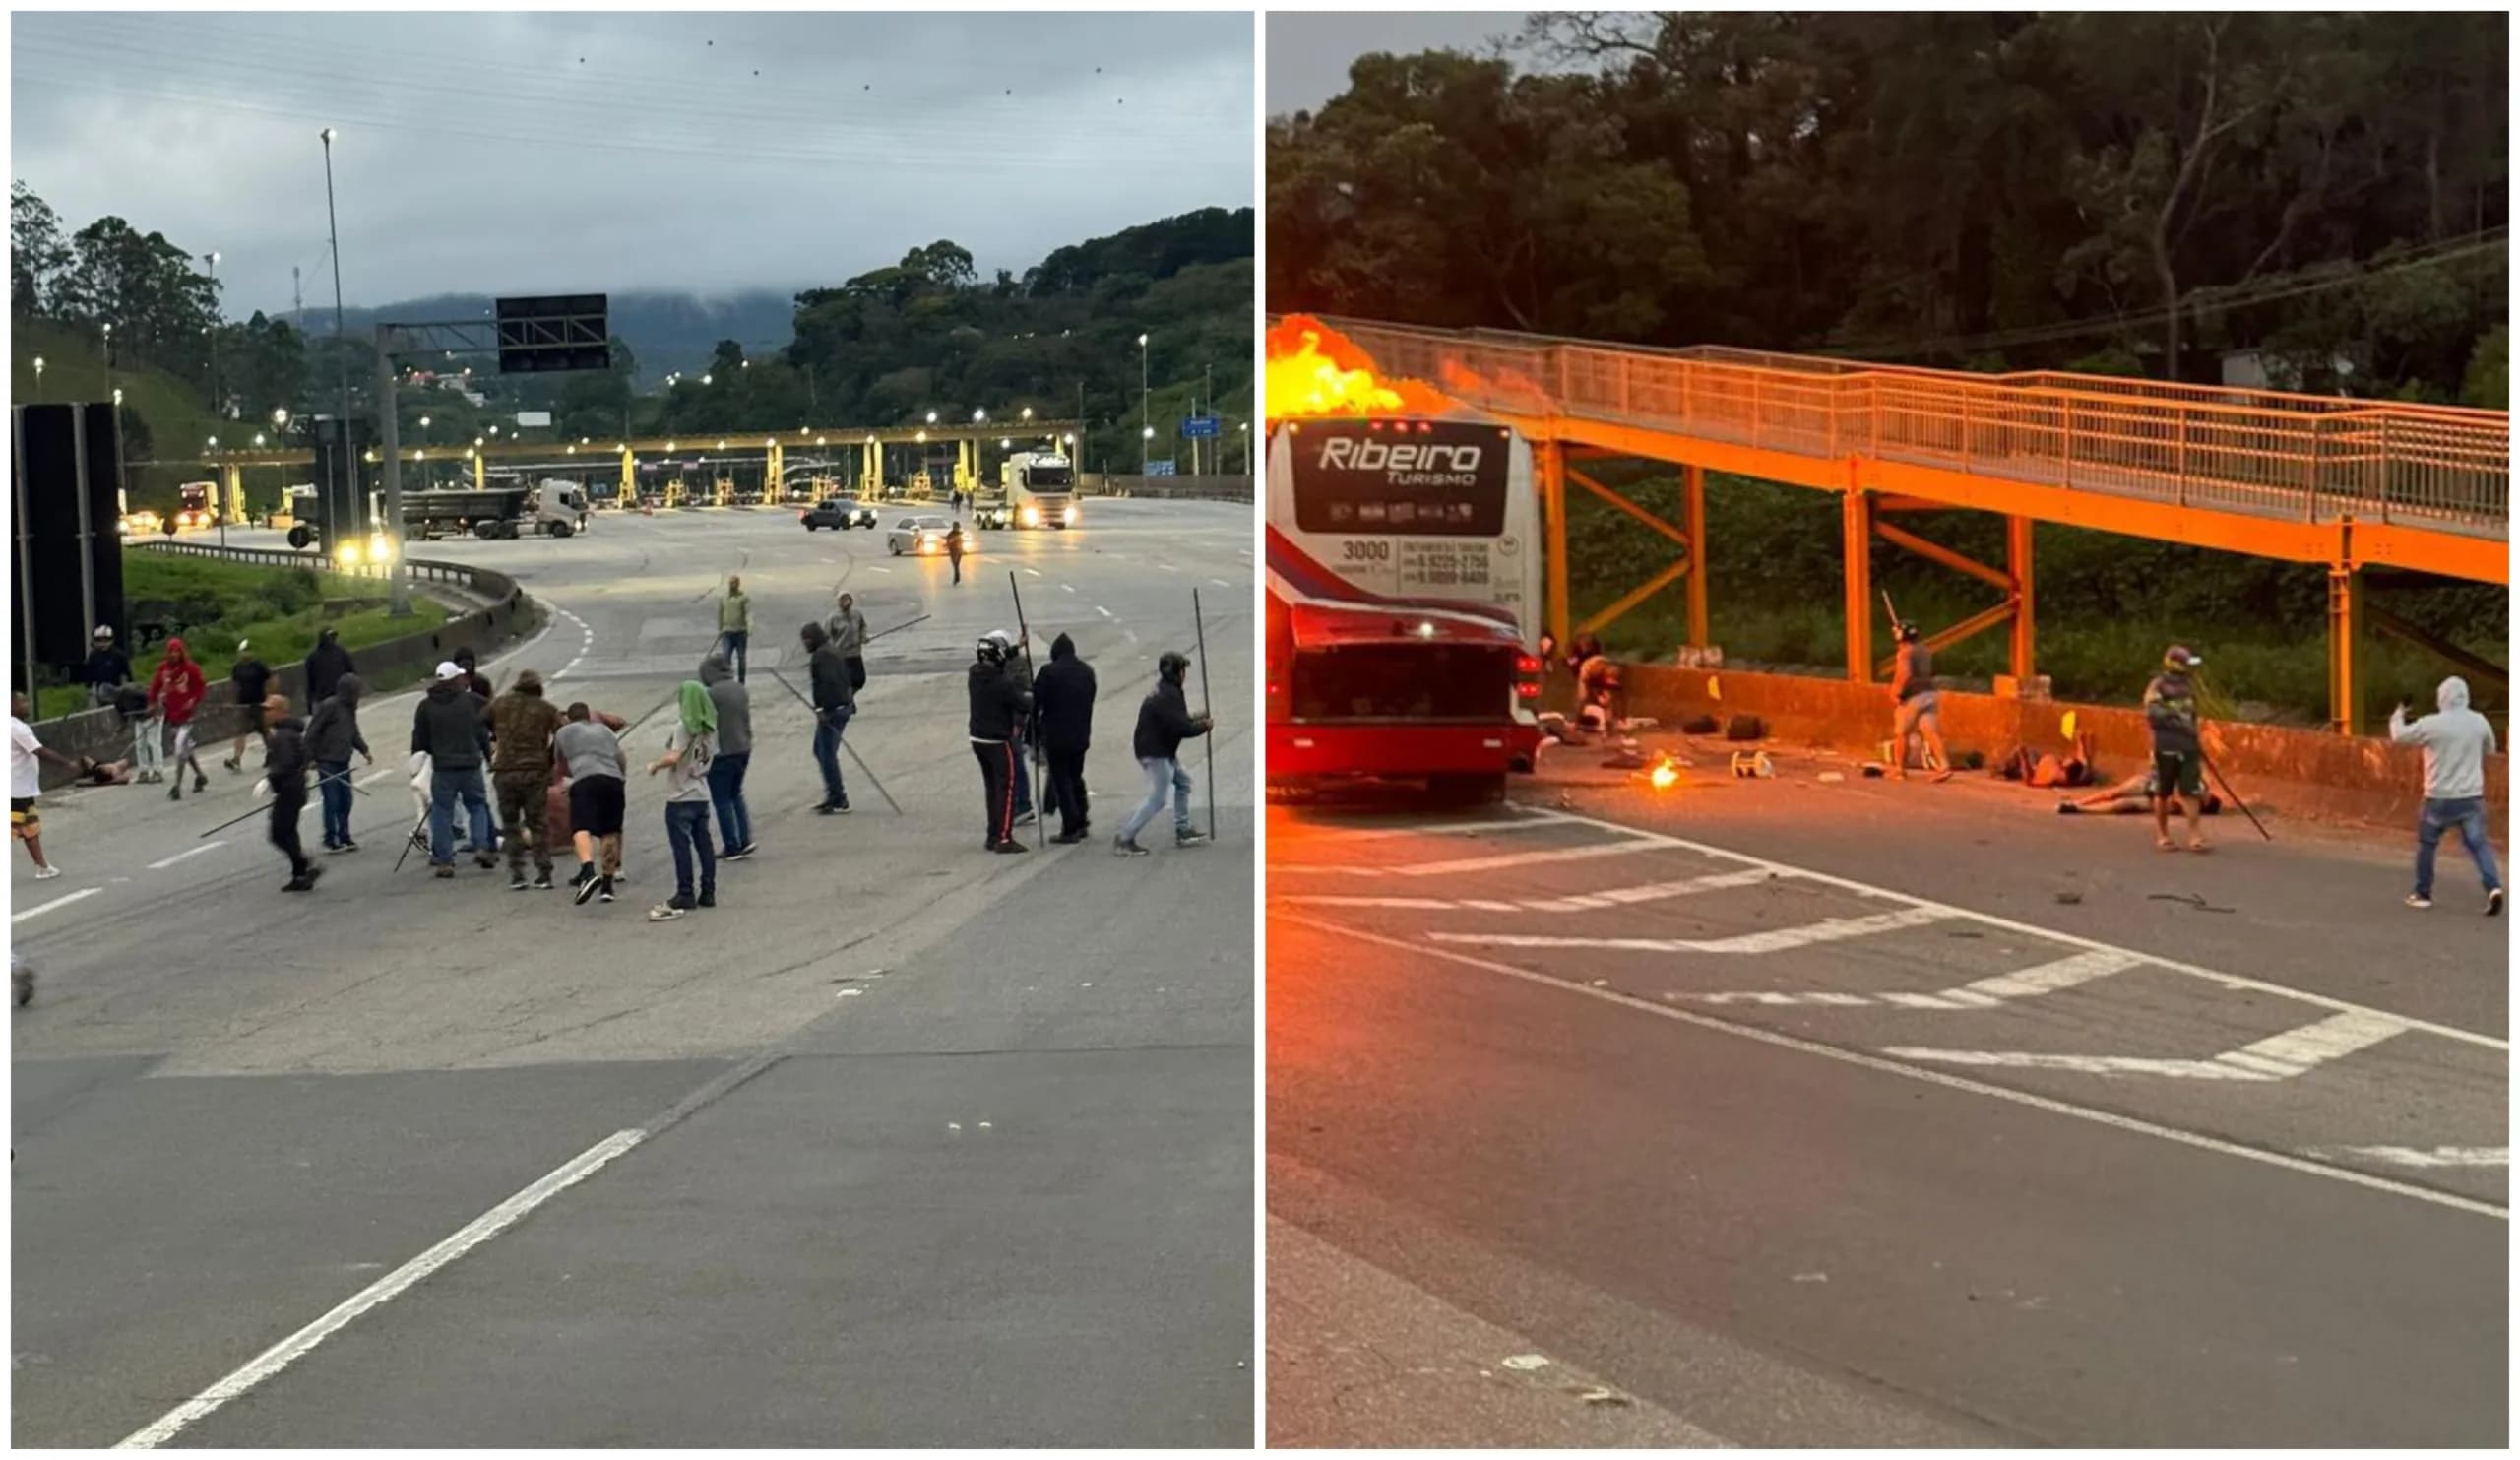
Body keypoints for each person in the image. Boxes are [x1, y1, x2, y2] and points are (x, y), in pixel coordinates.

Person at [2389, 675, 2502, 914]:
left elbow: (2399, 736)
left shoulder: (2431, 724)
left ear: (2442, 697)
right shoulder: (2479, 722)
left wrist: (2399, 711)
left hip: (2438, 797)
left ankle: (2422, 893)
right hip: (2471, 796)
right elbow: (2490, 749)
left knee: (2428, 844)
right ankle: (2493, 886)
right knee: (2478, 843)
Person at [1114, 650, 1212, 856]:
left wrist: (1197, 718)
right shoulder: (1169, 696)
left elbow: (1177, 719)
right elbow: (1182, 728)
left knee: (1183, 783)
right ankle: (1125, 837)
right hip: (1155, 752)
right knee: (1158, 799)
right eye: (1183, 669)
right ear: (1176, 672)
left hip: (1161, 747)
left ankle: (1183, 829)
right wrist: (1204, 726)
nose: (1185, 674)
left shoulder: (1167, 690)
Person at [413, 659, 496, 877]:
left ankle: (444, 860)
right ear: (455, 679)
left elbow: (420, 739)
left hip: (442, 767)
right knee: (477, 806)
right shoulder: (472, 701)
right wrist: (489, 758)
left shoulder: (426, 706)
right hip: (470, 763)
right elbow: (485, 731)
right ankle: (481, 845)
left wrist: (434, 752)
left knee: (442, 812)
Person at [646, 680, 719, 920]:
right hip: (701, 791)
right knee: (704, 844)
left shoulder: (684, 727)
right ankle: (708, 890)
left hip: (680, 794)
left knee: (682, 847)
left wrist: (655, 765)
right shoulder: (710, 729)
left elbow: (675, 756)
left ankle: (685, 891)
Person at [488, 668, 565, 890]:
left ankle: (517, 874)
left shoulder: (499, 704)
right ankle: (544, 873)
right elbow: (562, 734)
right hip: (535, 772)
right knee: (538, 823)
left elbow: (480, 719)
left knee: (510, 825)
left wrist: (496, 738)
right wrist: (549, 758)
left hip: (505, 772)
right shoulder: (547, 709)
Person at [557, 701, 629, 906]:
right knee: (611, 832)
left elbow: (560, 763)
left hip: (585, 780)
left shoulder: (564, 732)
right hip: (613, 781)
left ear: (569, 717)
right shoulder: (604, 730)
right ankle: (607, 885)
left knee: (580, 827)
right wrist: (620, 778)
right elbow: (620, 758)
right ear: (588, 716)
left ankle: (588, 871)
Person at [968, 629, 1032, 852]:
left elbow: (999, 658)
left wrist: (1017, 647)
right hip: (998, 741)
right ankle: (1004, 837)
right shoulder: (1003, 684)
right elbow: (1024, 704)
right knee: (1006, 787)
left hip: (977, 738)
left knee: (992, 788)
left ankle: (992, 834)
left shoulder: (974, 674)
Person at [1032, 631, 1098, 843]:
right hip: (1080, 733)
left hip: (1056, 735)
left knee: (1062, 781)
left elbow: (1036, 703)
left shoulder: (1048, 672)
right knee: (1075, 777)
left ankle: (1071, 826)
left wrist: (1032, 731)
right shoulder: (1087, 671)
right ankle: (1082, 819)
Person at [2143, 645, 2210, 853]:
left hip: (2189, 746)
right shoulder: (2158, 686)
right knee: (2162, 791)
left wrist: (2198, 736)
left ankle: (2194, 835)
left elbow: (2193, 715)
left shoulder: (2190, 687)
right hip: (2166, 745)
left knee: (2191, 790)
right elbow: (2153, 715)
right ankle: (2163, 834)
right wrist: (2179, 723)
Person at [10, 690, 84, 880]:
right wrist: (67, 764)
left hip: (23, 788)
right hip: (15, 789)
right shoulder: (17, 728)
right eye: (22, 702)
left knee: (30, 828)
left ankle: (43, 867)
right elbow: (39, 751)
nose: (27, 704)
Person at [303, 671, 373, 853]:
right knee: (332, 801)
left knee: (346, 800)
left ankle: (344, 834)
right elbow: (311, 733)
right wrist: (310, 758)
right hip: (327, 762)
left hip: (343, 760)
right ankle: (330, 838)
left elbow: (353, 732)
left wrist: (364, 749)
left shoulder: (350, 709)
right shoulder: (329, 706)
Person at [259, 691, 321, 892]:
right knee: (289, 832)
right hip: (295, 788)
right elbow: (305, 755)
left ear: (280, 711)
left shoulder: (283, 736)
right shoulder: (290, 733)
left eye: (268, 709)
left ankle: (304, 862)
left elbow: (285, 763)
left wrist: (269, 778)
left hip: (289, 790)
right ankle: (300, 876)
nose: (265, 713)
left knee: (278, 833)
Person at [700, 651, 755, 857]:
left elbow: (701, 722)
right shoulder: (740, 689)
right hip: (743, 747)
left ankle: (732, 845)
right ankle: (745, 838)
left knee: (721, 799)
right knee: (736, 794)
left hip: (723, 752)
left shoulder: (711, 694)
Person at [800, 621, 853, 814]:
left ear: (814, 638)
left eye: (807, 640)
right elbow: (847, 677)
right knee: (820, 751)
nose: (805, 644)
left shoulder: (821, 656)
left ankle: (839, 799)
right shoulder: (832, 650)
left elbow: (827, 684)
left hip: (833, 710)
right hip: (842, 706)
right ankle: (833, 793)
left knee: (826, 754)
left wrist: (822, 708)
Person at [1888, 621, 1951, 783]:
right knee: (1930, 731)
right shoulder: (1924, 650)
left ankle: (1899, 769)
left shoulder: (1905, 653)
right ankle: (1944, 766)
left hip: (1913, 697)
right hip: (1930, 694)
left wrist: (1896, 691)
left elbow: (1904, 674)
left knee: (1901, 733)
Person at [148, 636, 210, 799]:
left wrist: (193, 700)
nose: (174, 654)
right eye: (171, 651)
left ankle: (177, 785)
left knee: (180, 747)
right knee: (184, 749)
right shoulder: (163, 670)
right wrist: (152, 704)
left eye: (177, 651)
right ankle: (200, 775)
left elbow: (200, 688)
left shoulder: (191, 669)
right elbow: (154, 688)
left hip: (187, 716)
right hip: (171, 716)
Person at [224, 639, 274, 771]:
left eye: (246, 651)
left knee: (264, 730)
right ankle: (236, 759)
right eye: (242, 651)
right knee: (240, 732)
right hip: (244, 705)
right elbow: (235, 685)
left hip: (259, 703)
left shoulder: (258, 666)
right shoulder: (237, 668)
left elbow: (270, 679)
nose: (244, 654)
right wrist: (234, 702)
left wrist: (269, 697)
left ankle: (273, 752)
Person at [116, 682, 162, 784]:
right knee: (140, 746)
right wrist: (121, 728)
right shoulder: (117, 701)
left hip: (152, 716)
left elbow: (152, 695)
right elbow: (123, 715)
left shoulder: (131, 691)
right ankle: (143, 772)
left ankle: (158, 772)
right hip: (139, 720)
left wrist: (156, 711)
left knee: (153, 744)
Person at [827, 591, 870, 693]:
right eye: (842, 600)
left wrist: (863, 636)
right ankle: (847, 700)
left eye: (847, 599)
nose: (846, 602)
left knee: (859, 680)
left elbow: (863, 626)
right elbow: (826, 636)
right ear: (838, 602)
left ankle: (849, 698)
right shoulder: (833, 618)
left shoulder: (857, 614)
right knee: (846, 682)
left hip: (855, 653)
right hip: (841, 655)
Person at [303, 626, 353, 712]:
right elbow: (310, 680)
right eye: (329, 636)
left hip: (340, 695)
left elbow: (351, 671)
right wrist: (309, 702)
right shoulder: (313, 656)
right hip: (322, 698)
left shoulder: (340, 652)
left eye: (333, 636)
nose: (332, 639)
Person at [84, 625, 131, 708]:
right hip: (100, 693)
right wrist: (90, 688)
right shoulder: (93, 655)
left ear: (111, 640)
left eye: (106, 640)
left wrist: (125, 687)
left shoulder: (119, 655)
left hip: (117, 691)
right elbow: (89, 673)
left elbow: (126, 673)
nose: (103, 643)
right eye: (100, 640)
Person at [717, 574, 752, 681]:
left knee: (741, 658)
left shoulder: (744, 598)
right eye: (731, 583)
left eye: (735, 583)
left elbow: (748, 613)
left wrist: (749, 626)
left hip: (740, 632)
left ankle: (742, 680)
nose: (732, 585)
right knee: (726, 657)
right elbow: (720, 613)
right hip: (727, 632)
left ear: (738, 584)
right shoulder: (724, 598)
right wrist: (720, 628)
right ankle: (728, 679)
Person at [945, 522, 966, 586]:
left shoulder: (960, 533)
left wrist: (962, 549)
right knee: (955, 565)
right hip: (953, 551)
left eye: (958, 527)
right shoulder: (950, 534)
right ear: (953, 527)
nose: (957, 528)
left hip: (959, 551)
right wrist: (954, 539)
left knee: (956, 565)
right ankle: (956, 578)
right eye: (956, 527)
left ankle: (956, 578)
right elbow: (948, 542)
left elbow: (961, 542)